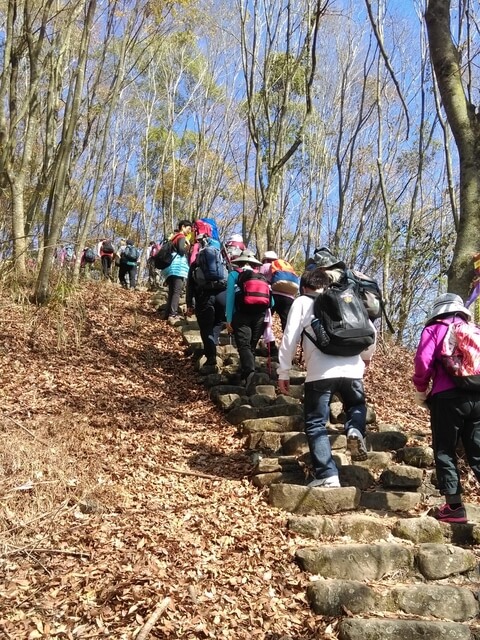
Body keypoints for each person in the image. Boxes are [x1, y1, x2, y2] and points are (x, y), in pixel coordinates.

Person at [277, 267, 376, 487]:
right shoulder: (347, 299)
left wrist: (283, 371)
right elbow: (371, 332)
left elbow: (289, 338)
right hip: (352, 369)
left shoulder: (302, 302)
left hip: (320, 373)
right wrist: (365, 358)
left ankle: (327, 475)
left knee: (315, 424)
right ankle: (354, 429)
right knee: (356, 405)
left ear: (304, 286)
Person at [413, 293, 480, 524]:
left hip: (447, 397)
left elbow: (423, 361)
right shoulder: (475, 330)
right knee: (478, 451)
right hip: (478, 397)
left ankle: (454, 507)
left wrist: (421, 389)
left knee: (445, 449)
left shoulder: (435, 328)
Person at [225, 249, 273, 387]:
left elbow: (230, 298)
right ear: (254, 264)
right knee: (251, 346)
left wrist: (228, 319)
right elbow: (272, 302)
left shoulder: (234, 274)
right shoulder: (262, 277)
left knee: (243, 345)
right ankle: (247, 376)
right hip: (260, 315)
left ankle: (249, 373)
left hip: (241, 314)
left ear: (239, 262)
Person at [186, 235, 227, 374]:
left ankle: (211, 358)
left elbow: (190, 285)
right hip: (222, 296)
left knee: (205, 327)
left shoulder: (196, 263)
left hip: (204, 296)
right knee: (218, 323)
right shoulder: (222, 262)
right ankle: (213, 345)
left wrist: (189, 303)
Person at [161, 220, 192, 322]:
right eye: (188, 229)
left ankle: (167, 313)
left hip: (170, 268)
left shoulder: (174, 237)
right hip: (177, 268)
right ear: (183, 227)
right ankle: (173, 314)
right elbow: (181, 251)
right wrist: (188, 245)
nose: (189, 231)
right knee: (176, 291)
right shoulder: (181, 237)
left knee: (172, 291)